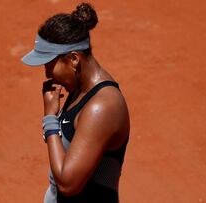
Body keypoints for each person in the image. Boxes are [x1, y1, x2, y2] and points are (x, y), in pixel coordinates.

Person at [21, 3, 130, 203]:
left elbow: (67, 184)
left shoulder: (102, 107)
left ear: (73, 59)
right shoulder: (79, 88)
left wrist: (50, 119)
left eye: (49, 66)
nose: (46, 75)